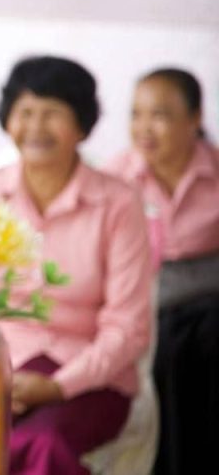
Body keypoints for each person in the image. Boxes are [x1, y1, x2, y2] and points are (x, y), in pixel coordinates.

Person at [0, 56, 152, 475]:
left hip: (91, 378)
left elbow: (128, 327)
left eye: (52, 113)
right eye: (25, 111)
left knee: (41, 443)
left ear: (82, 125)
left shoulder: (118, 203)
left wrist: (59, 385)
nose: (36, 127)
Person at [105, 67, 219, 475]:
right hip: (148, 298)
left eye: (160, 115)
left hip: (209, 298)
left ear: (194, 118)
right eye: (136, 114)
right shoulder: (117, 177)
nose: (143, 128)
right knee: (165, 348)